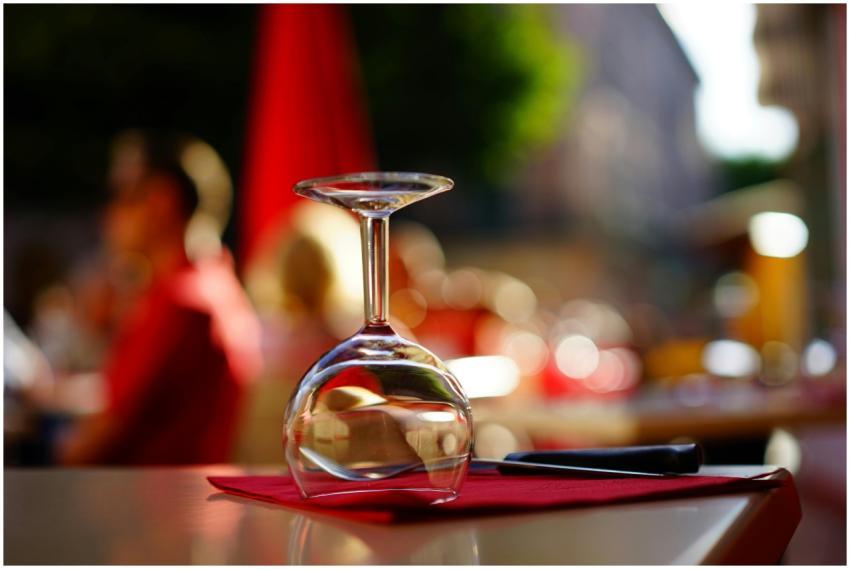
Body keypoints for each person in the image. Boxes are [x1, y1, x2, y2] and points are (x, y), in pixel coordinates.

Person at [58, 130, 262, 465]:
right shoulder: (214, 285)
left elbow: (89, 446)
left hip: (147, 507)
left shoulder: (180, 303)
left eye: (121, 194)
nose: (107, 213)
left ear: (161, 200)